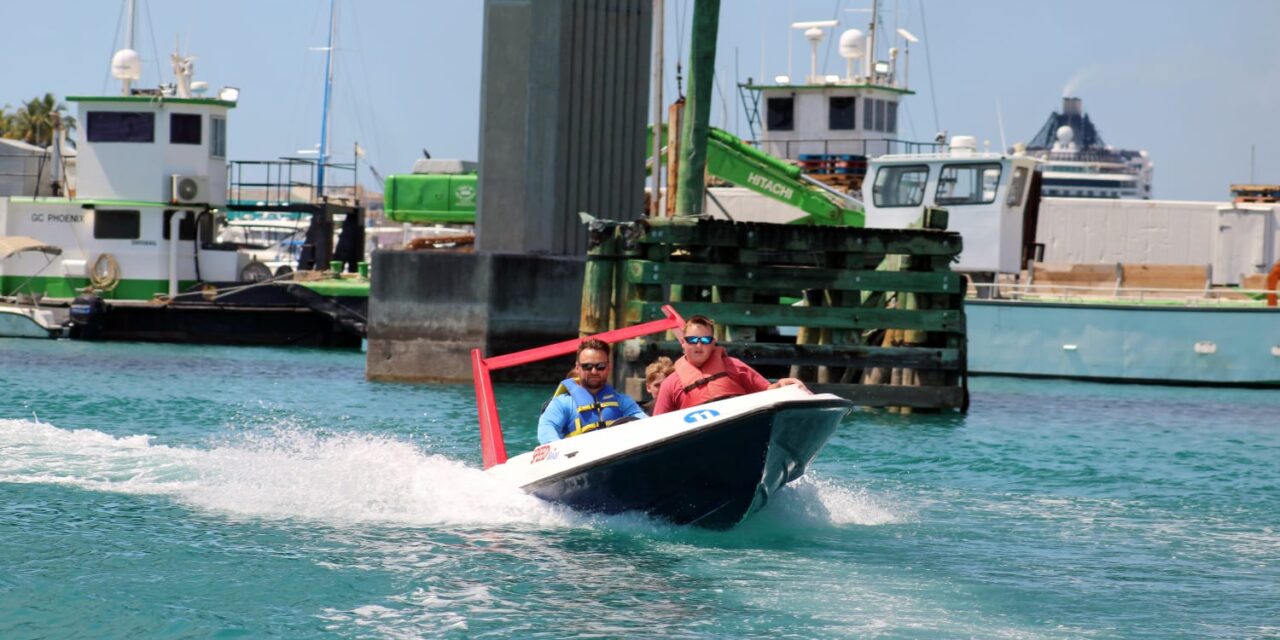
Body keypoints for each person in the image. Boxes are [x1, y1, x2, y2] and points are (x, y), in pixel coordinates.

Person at [652, 315, 804, 415]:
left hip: (739, 422)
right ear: (683, 344)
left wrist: (781, 385)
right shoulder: (670, 384)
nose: (698, 345)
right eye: (692, 340)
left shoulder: (734, 366)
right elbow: (658, 427)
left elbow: (766, 390)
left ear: (712, 343)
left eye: (704, 340)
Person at [537, 339, 646, 443]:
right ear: (577, 367)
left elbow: (645, 422)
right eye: (587, 366)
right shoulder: (562, 404)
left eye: (600, 366)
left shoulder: (622, 402)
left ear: (609, 367)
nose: (594, 371)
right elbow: (546, 428)